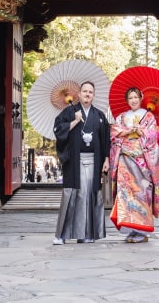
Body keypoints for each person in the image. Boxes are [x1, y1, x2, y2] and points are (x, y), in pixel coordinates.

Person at [52, 80, 109, 245]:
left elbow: (105, 139)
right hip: (74, 161)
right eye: (84, 91)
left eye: (90, 92)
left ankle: (86, 233)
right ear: (78, 94)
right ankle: (61, 235)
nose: (87, 94)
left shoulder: (99, 116)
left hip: (94, 161)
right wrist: (75, 121)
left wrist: (106, 159)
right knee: (70, 195)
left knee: (89, 196)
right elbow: (58, 130)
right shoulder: (70, 112)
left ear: (93, 95)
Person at [109, 86, 159, 243]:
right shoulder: (122, 117)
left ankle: (142, 231)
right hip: (125, 160)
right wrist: (127, 131)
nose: (133, 100)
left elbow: (155, 135)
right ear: (127, 100)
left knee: (142, 191)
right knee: (126, 194)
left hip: (142, 161)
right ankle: (131, 229)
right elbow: (113, 133)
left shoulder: (149, 116)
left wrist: (142, 131)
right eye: (130, 98)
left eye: (136, 97)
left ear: (141, 98)